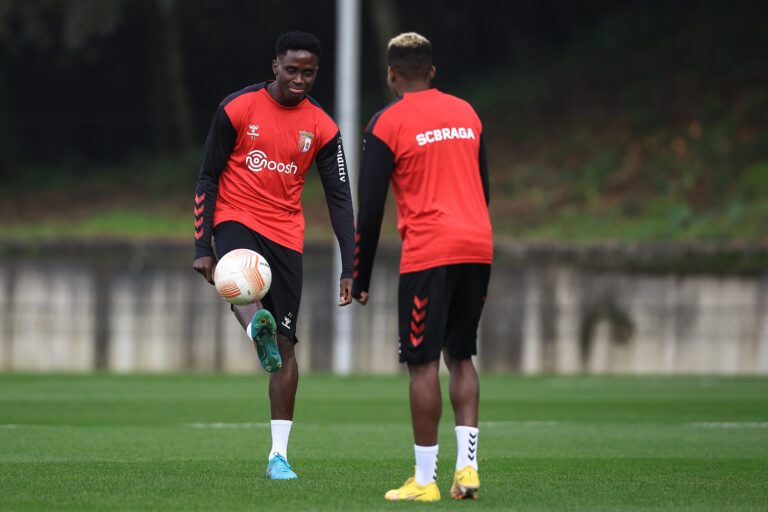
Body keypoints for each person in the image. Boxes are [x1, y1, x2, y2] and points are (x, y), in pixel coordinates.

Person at [192, 30, 355, 480]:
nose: (300, 79)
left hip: (287, 234)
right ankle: (253, 327)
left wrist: (351, 264)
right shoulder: (237, 108)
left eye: (309, 72)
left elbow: (340, 198)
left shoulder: (322, 126)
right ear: (275, 66)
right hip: (236, 216)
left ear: (316, 73)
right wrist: (203, 245)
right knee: (240, 276)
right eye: (292, 70)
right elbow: (207, 177)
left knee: (285, 348)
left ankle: (278, 456)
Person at [353, 32, 493, 501]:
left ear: (392, 74)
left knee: (422, 364)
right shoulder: (467, 113)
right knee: (462, 356)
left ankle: (426, 480)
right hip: (478, 245)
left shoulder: (385, 123)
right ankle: (468, 469)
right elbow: (484, 187)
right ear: (432, 72)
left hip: (429, 252)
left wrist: (360, 274)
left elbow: (370, 209)